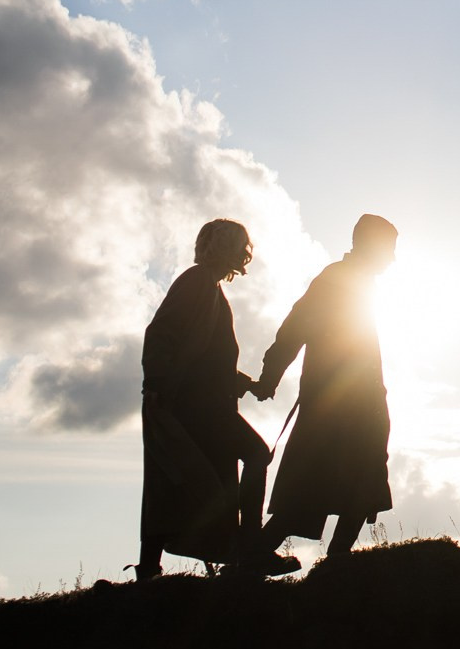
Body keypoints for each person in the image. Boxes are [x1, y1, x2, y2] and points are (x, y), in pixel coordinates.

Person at [135, 219, 296, 580]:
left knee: (177, 481)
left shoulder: (206, 287)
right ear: (224, 248)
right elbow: (161, 334)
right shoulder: (196, 283)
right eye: (241, 246)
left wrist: (244, 383)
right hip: (194, 406)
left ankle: (149, 569)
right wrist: (157, 384)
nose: (246, 253)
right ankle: (251, 550)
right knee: (249, 457)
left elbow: (207, 358)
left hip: (199, 402)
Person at [253, 213, 399, 564]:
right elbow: (295, 328)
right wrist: (270, 375)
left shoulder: (356, 282)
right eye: (389, 249)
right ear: (370, 245)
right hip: (336, 409)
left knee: (355, 489)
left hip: (357, 405)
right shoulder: (337, 280)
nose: (393, 258)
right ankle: (254, 558)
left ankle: (334, 566)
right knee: (315, 489)